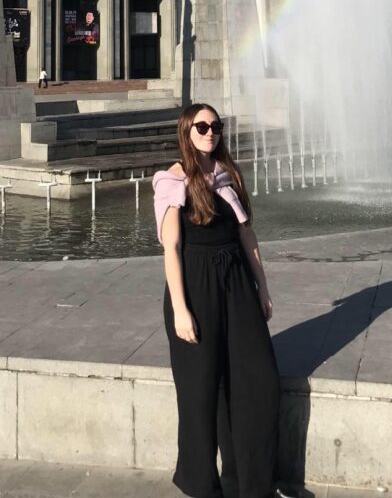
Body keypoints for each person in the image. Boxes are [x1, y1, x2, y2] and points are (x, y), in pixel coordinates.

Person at [153, 103, 289, 498]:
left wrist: (261, 287)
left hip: (237, 285)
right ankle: (200, 485)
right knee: (199, 393)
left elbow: (248, 235)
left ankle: (252, 485)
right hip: (195, 289)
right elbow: (172, 248)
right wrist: (180, 309)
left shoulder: (228, 175)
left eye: (216, 126)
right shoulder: (172, 181)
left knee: (258, 381)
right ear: (186, 131)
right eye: (201, 126)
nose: (210, 132)